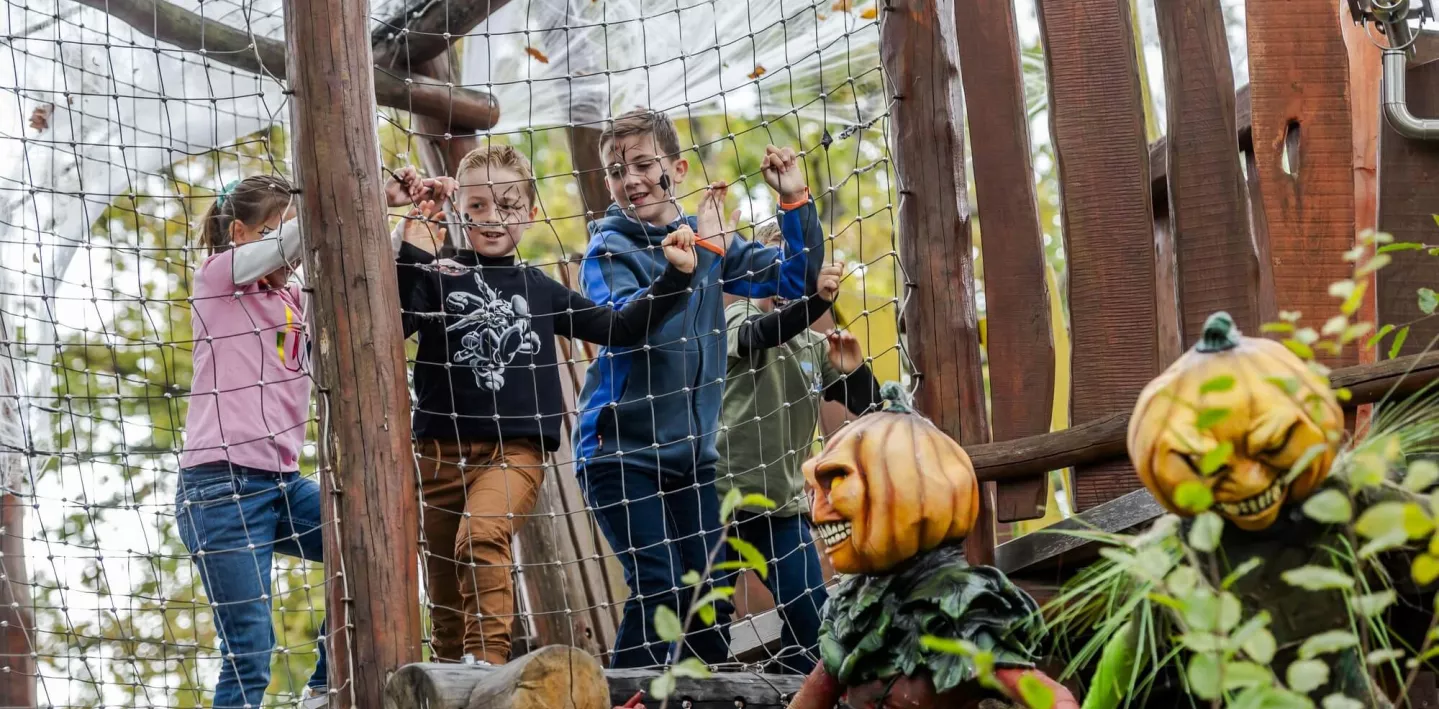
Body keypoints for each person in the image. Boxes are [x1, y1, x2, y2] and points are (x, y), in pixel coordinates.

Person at [391, 144, 698, 666]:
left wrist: (675, 278)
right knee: (443, 594)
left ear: (530, 213)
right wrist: (415, 243)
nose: (493, 219)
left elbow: (619, 328)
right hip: (438, 455)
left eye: (508, 205)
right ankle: (449, 680)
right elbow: (395, 323)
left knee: (481, 535)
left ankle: (487, 665)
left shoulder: (538, 288)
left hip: (513, 452)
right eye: (479, 206)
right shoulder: (439, 274)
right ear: (459, 209)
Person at [177, 171, 446, 709]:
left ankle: (325, 686)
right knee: (251, 651)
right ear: (239, 234)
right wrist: (354, 192)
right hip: (218, 490)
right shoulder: (217, 280)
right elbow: (300, 235)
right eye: (274, 231)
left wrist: (405, 216)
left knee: (373, 541)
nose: (293, 251)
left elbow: (355, 261)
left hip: (279, 485)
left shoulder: (298, 300)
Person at [572, 106, 825, 668]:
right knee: (660, 584)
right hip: (621, 451)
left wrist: (793, 204)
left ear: (678, 169)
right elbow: (631, 324)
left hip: (692, 458)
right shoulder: (610, 250)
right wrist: (703, 259)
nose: (630, 179)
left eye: (643, 164)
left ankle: (703, 696)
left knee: (707, 602)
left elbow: (794, 279)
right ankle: (629, 700)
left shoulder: (707, 239)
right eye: (617, 171)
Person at [716, 223, 880, 675]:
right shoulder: (740, 318)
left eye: (799, 274)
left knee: (811, 622)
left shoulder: (813, 346)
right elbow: (761, 335)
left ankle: (788, 684)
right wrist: (815, 304)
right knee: (707, 620)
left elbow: (870, 406)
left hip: (781, 506)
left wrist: (853, 369)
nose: (787, 285)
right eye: (777, 273)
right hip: (720, 499)